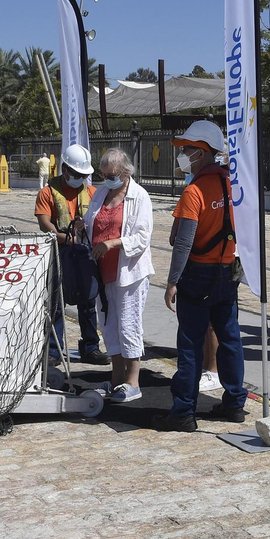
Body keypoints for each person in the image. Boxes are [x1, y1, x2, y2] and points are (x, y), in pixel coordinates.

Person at [158, 120, 248, 431]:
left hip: (197, 274)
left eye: (187, 150)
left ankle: (184, 410)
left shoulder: (194, 190)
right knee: (230, 337)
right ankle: (235, 403)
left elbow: (183, 241)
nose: (182, 154)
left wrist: (172, 281)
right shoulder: (234, 184)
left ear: (202, 152)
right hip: (227, 271)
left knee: (190, 342)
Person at [82, 149, 154, 403]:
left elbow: (142, 237)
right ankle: (116, 379)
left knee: (129, 324)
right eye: (103, 174)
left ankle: (133, 381)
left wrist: (113, 243)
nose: (107, 178)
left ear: (125, 172)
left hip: (129, 272)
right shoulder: (101, 192)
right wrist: (83, 225)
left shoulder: (139, 196)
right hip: (102, 272)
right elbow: (94, 220)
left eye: (111, 174)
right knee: (109, 325)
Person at [35, 143, 108, 365]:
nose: (81, 178)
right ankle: (54, 350)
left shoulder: (93, 193)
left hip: (85, 253)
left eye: (84, 175)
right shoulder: (47, 192)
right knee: (57, 302)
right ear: (65, 170)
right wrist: (65, 237)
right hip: (59, 252)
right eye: (77, 174)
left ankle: (90, 347)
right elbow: (44, 223)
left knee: (88, 300)